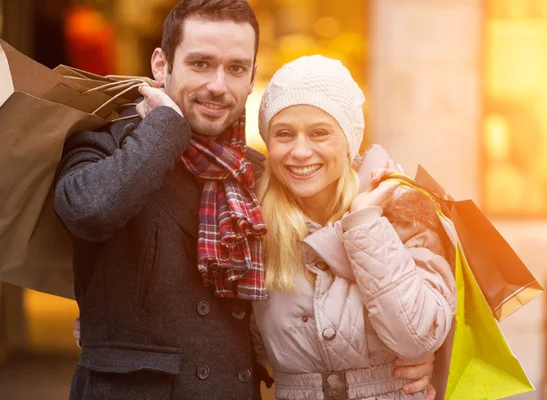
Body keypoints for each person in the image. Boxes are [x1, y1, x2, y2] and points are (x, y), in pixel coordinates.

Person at [57, 1, 438, 399]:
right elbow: (89, 212)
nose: (218, 85)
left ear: (252, 76)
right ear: (161, 65)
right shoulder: (103, 140)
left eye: (236, 68)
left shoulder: (259, 174)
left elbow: (317, 297)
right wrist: (166, 128)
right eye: (200, 64)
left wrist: (385, 366)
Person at [251, 55, 456, 399]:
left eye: (319, 133)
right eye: (284, 133)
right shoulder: (251, 223)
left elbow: (418, 335)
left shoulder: (402, 209)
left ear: (349, 140)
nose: (300, 151)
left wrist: (364, 224)